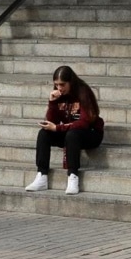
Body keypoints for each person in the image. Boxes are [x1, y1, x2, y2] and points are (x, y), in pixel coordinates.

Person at [24, 65, 104, 195]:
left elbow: (84, 123)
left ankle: (73, 176)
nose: (59, 88)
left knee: (72, 135)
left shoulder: (84, 92)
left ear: (70, 82)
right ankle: (42, 175)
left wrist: (58, 128)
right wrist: (52, 103)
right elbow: (52, 121)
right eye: (56, 85)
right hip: (70, 132)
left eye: (62, 84)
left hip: (91, 133)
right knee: (44, 134)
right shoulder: (59, 95)